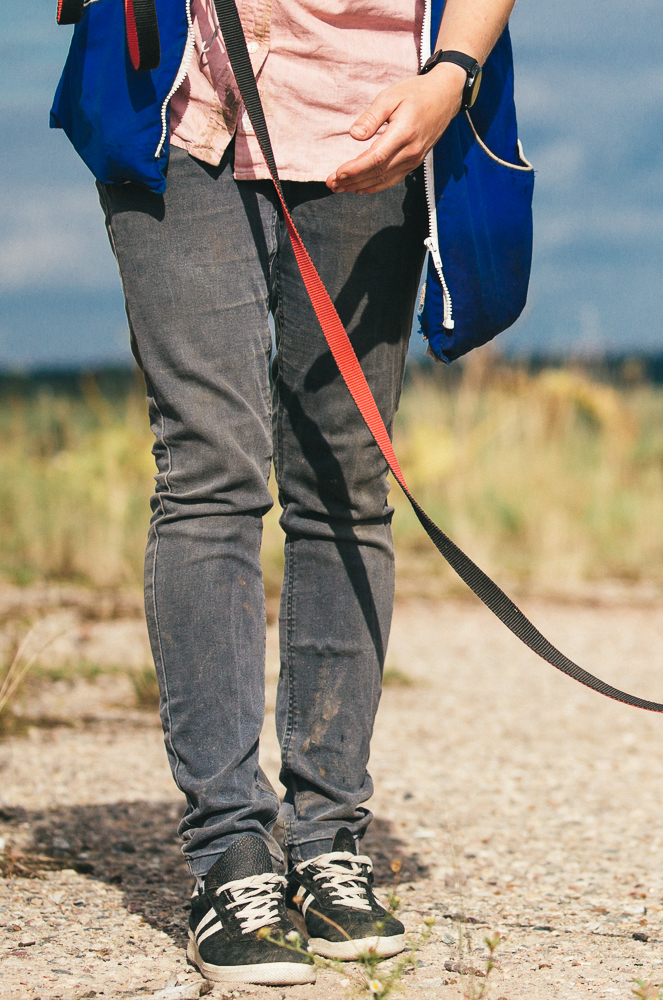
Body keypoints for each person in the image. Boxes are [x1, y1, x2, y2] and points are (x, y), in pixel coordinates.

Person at [52, 0, 517, 985]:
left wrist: (450, 77)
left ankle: (328, 838)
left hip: (374, 104)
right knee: (210, 465)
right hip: (181, 107)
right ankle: (229, 849)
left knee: (345, 478)